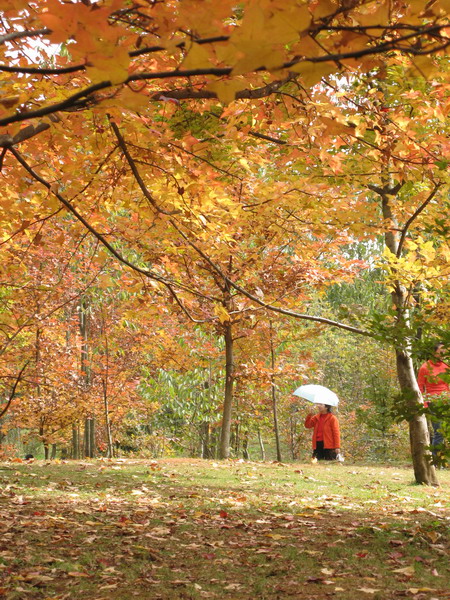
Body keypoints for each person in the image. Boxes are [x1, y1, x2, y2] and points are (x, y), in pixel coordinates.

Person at [417, 342, 449, 453]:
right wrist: (424, 404)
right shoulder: (425, 367)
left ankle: (441, 459)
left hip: (446, 401)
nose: (443, 353)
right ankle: (434, 461)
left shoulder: (446, 367)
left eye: (444, 351)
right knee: (438, 432)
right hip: (433, 402)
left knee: (445, 431)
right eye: (441, 351)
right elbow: (420, 388)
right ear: (433, 353)